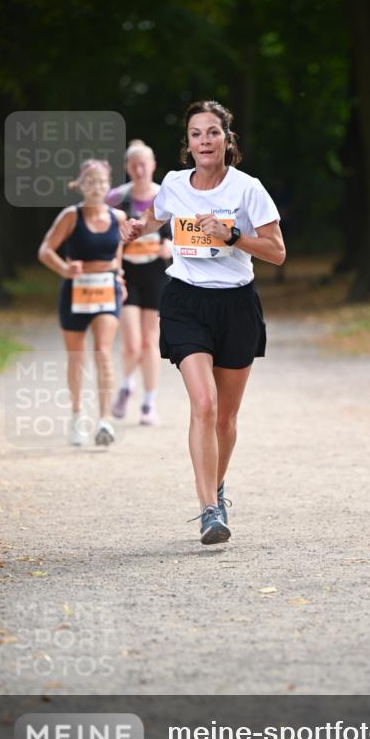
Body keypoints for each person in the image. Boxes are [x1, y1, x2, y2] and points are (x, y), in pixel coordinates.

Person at [119, 101, 285, 544]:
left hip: (235, 306)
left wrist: (232, 236)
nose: (205, 141)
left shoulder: (248, 189)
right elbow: (156, 216)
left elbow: (277, 250)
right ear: (187, 144)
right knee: (205, 405)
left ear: (227, 142)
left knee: (226, 419)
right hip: (185, 302)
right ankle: (210, 509)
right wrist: (138, 228)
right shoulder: (174, 183)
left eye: (213, 133)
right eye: (196, 134)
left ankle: (217, 484)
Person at [38, 159, 127, 446]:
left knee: (103, 351)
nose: (97, 187)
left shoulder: (119, 218)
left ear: (109, 185)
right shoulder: (70, 216)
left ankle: (105, 422)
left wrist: (120, 277)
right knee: (76, 357)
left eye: (102, 182)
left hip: (106, 291)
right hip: (75, 292)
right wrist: (65, 269)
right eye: (91, 182)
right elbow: (46, 251)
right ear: (80, 185)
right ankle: (77, 416)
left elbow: (118, 257)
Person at [107, 140, 172, 426]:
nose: (140, 169)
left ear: (153, 165)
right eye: (134, 165)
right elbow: (104, 232)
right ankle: (127, 384)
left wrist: (171, 246)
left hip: (158, 275)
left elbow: (184, 231)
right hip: (128, 275)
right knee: (132, 344)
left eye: (144, 163)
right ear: (127, 169)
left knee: (149, 343)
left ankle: (148, 404)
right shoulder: (117, 198)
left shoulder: (166, 196)